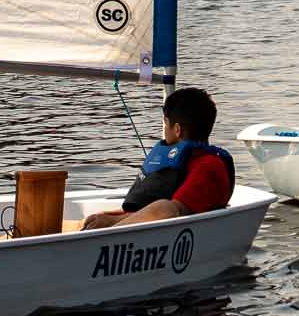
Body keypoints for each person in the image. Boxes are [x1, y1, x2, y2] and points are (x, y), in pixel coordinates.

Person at [82, 87, 235, 230]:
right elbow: (144, 209)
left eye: (165, 123)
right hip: (158, 232)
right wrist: (107, 217)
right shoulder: (186, 161)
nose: (163, 128)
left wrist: (113, 223)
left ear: (177, 130)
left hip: (179, 232)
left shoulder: (208, 165)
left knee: (164, 207)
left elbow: (170, 210)